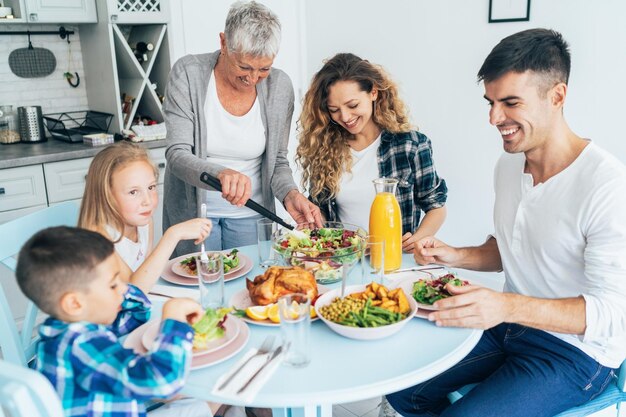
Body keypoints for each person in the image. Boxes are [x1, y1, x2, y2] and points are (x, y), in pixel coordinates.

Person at [386, 28, 626, 417]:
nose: (495, 118)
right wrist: (457, 254)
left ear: (557, 96)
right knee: (402, 388)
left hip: (577, 353)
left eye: (510, 102)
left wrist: (504, 306)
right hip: (510, 327)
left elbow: (611, 314)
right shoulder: (510, 164)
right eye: (491, 102)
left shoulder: (608, 186)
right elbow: (512, 248)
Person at [163, 0, 321, 254]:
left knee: (253, 285)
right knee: (199, 287)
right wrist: (221, 173)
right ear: (224, 43)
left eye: (264, 69)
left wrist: (291, 194)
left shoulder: (280, 86)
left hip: (253, 215)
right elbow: (177, 154)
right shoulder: (188, 74)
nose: (252, 79)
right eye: (244, 67)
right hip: (195, 218)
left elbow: (278, 161)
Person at [15, 226, 214, 417]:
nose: (123, 288)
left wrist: (117, 290)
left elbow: (137, 315)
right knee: (212, 396)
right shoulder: (80, 345)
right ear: (74, 303)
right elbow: (162, 381)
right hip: (136, 398)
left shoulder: (69, 326)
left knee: (192, 396)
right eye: (112, 285)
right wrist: (174, 319)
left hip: (119, 402)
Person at [296, 53, 447, 258]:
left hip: (396, 260)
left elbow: (436, 207)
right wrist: (312, 222)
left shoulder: (411, 145)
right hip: (344, 261)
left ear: (373, 93)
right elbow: (321, 210)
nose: (345, 117)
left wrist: (419, 237)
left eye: (352, 105)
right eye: (334, 110)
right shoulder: (324, 149)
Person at [79, 141, 213, 294]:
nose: (147, 201)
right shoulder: (98, 239)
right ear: (106, 195)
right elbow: (132, 293)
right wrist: (173, 235)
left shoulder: (144, 223)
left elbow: (146, 275)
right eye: (133, 192)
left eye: (151, 187)